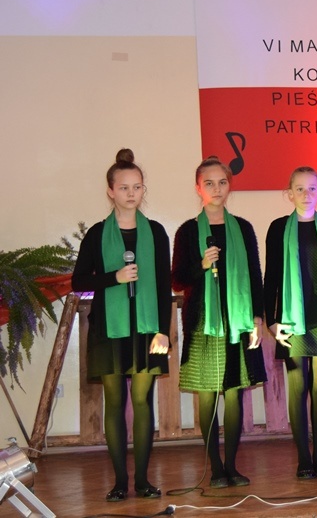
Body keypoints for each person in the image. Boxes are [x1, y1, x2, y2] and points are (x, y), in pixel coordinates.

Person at [71, 156, 170, 502]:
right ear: (110, 191)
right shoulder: (97, 234)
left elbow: (163, 285)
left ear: (143, 190)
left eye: (137, 187)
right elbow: (79, 282)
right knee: (114, 402)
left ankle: (142, 480)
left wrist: (163, 330)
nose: (131, 193)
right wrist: (114, 277)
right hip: (109, 330)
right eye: (124, 187)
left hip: (147, 329)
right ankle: (118, 482)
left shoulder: (156, 232)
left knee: (142, 401)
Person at [172, 156, 266, 488]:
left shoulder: (243, 228)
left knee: (235, 393)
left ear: (230, 186)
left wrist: (258, 317)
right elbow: (177, 279)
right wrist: (201, 264)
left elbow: (255, 275)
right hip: (203, 323)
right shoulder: (187, 231)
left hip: (238, 321)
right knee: (208, 394)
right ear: (198, 188)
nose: (216, 189)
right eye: (209, 183)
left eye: (222, 182)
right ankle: (215, 468)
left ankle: (232, 466)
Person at [263, 167, 317, 480]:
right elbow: (271, 277)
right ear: (289, 193)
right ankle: (303, 459)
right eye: (299, 189)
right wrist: (272, 322)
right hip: (292, 319)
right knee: (298, 388)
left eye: (312, 188)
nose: (306, 194)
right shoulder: (278, 228)